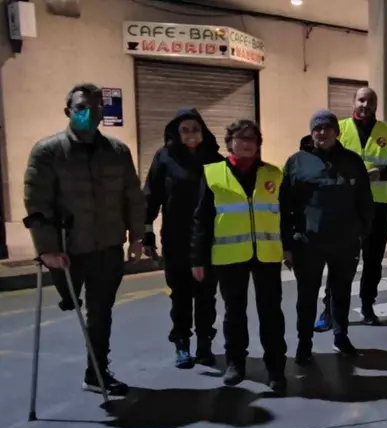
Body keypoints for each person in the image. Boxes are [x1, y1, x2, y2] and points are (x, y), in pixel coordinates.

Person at [23, 83, 144, 396]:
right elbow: (37, 205)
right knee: (72, 304)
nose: (89, 114)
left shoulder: (118, 152)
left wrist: (136, 237)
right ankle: (70, 299)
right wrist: (47, 249)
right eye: (81, 108)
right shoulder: (48, 151)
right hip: (68, 250)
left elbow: (133, 197)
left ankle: (97, 372)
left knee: (101, 313)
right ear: (68, 111)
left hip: (108, 249)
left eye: (96, 108)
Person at [190, 120, 287, 393]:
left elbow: (285, 215)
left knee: (271, 313)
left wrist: (289, 248)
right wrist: (197, 258)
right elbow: (202, 219)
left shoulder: (273, 174)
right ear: (229, 141)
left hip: (266, 254)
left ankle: (276, 368)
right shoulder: (212, 173)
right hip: (229, 254)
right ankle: (235, 363)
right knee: (234, 313)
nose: (247, 143)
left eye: (253, 139)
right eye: (241, 138)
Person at [282, 110, 374, 362]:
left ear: (337, 131)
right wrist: (287, 244)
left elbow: (365, 200)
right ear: (311, 133)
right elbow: (285, 205)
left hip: (345, 242)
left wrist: (361, 232)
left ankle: (341, 336)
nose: (322, 132)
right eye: (317, 128)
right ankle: (304, 344)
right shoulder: (296, 162)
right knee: (307, 296)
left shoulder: (352, 161)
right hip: (308, 243)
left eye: (327, 127)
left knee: (341, 292)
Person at [318, 87, 387, 328]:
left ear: (376, 105)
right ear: (354, 102)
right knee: (338, 261)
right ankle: (329, 310)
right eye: (361, 100)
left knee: (373, 262)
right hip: (344, 207)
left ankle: (367, 306)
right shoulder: (340, 129)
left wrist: (380, 173)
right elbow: (325, 160)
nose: (365, 105)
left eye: (370, 101)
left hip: (377, 208)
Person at [143, 108, 224, 369]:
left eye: (195, 129)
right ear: (177, 134)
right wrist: (146, 231)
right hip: (176, 238)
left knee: (206, 295)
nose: (190, 134)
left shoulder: (215, 159)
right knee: (180, 295)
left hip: (208, 239)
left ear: (203, 131)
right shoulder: (164, 158)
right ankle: (182, 343)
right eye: (185, 130)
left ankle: (204, 344)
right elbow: (151, 195)